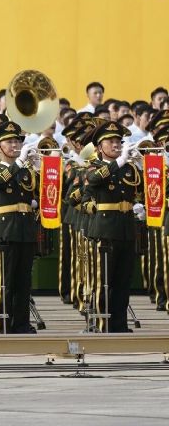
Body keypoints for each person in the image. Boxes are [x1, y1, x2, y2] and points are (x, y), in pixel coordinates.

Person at [84, 120, 143, 332]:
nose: (116, 144)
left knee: (123, 280)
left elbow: (141, 191)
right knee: (104, 280)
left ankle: (119, 323)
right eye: (110, 141)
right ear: (100, 147)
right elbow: (93, 180)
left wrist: (140, 205)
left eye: (118, 140)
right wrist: (119, 161)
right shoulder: (95, 166)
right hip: (105, 230)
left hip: (126, 228)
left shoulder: (129, 168)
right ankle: (102, 322)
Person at [0, 120, 39, 334]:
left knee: (23, 281)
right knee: (4, 280)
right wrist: (20, 163)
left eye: (17, 141)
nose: (15, 145)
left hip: (25, 229)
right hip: (5, 230)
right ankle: (2, 322)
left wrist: (39, 169)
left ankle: (21, 323)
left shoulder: (26, 171)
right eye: (9, 142)